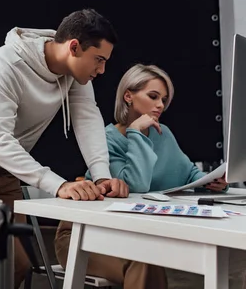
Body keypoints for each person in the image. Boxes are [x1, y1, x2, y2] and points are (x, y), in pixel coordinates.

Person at [0, 9, 129, 288]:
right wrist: (58, 185)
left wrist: (102, 176)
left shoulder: (75, 75)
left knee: (17, 266)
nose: (102, 70)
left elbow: (86, 117)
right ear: (74, 47)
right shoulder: (7, 62)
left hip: (5, 166)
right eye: (98, 60)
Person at [54, 64, 228, 289]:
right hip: (82, 236)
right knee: (145, 260)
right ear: (128, 96)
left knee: (148, 257)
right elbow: (135, 186)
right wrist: (135, 132)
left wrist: (213, 182)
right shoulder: (105, 139)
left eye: (164, 99)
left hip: (132, 235)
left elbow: (188, 174)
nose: (160, 105)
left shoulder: (162, 133)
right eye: (153, 96)